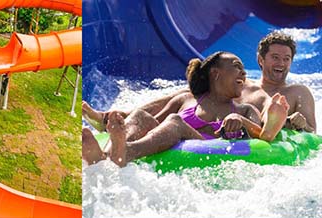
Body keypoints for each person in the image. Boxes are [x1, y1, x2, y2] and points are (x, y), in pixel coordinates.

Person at [83, 31, 316, 133]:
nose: (281, 63)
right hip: (211, 124)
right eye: (275, 57)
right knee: (185, 95)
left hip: (242, 133)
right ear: (261, 60)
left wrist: (301, 124)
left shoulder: (298, 92)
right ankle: (116, 118)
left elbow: (312, 135)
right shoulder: (242, 83)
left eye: (287, 59)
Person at [82, 51, 289, 167]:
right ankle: (107, 155)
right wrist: (129, 125)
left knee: (175, 122)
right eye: (237, 66)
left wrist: (241, 121)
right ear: (215, 74)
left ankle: (125, 152)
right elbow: (153, 123)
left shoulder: (244, 110)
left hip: (208, 152)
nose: (244, 73)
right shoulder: (187, 100)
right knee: (140, 115)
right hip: (171, 142)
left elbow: (261, 138)